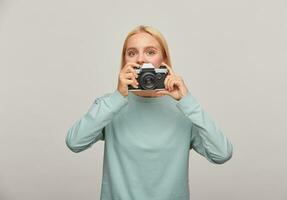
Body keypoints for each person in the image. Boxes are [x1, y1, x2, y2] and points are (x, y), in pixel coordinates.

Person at [66, 25, 233, 200]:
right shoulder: (110, 105)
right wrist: (117, 97)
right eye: (131, 53)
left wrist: (188, 101)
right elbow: (74, 142)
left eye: (150, 52)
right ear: (124, 61)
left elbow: (222, 154)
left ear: (164, 60)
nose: (140, 59)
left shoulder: (183, 109)